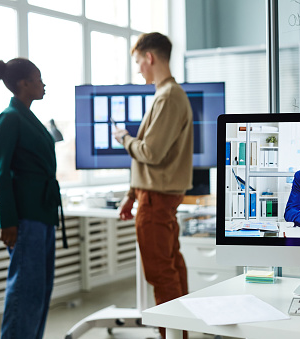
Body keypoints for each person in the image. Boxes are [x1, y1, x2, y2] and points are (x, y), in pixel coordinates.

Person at [112, 32, 193, 339]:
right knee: (171, 268)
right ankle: (178, 334)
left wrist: (124, 139)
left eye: (138, 62)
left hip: (157, 200)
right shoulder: (166, 95)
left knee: (162, 274)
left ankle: (172, 335)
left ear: (149, 57)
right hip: (154, 196)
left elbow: (151, 153)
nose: (138, 70)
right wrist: (132, 195)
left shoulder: (168, 96)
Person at [0, 58, 66, 339]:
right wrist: (8, 221)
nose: (43, 84)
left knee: (40, 290)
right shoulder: (9, 119)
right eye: (38, 78)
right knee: (25, 289)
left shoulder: (29, 117)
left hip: (43, 215)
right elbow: (1, 174)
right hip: (25, 219)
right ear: (23, 84)